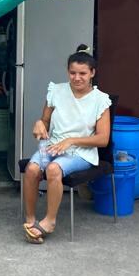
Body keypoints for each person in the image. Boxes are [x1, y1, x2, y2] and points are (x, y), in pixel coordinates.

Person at [22, 44, 111, 243]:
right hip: (53, 145)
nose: (77, 78)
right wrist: (39, 123)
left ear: (92, 73)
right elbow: (44, 120)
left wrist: (71, 140)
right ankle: (30, 218)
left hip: (81, 152)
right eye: (72, 73)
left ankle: (49, 221)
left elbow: (103, 139)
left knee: (53, 169)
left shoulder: (100, 100)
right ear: (67, 72)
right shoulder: (56, 91)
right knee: (32, 169)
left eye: (82, 73)